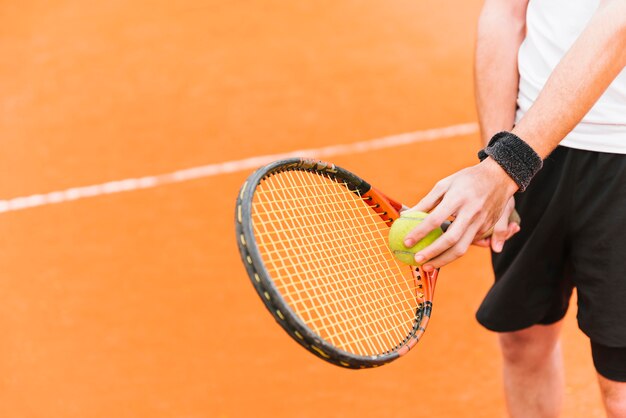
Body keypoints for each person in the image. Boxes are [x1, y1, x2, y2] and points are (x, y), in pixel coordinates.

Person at [404, 0, 626, 416]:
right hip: (533, 141)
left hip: (614, 151)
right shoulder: (515, 157)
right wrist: (499, 158)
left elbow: (620, 24)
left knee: (621, 392)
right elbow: (504, 11)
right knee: (523, 340)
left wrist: (506, 168)